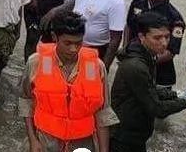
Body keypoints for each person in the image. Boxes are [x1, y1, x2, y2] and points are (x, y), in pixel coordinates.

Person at [110, 12, 186, 152]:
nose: (164, 43)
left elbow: (149, 89)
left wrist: (177, 94)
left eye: (167, 37)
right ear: (141, 37)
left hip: (135, 132)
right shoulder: (136, 66)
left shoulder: (146, 55)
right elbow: (157, 108)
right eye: (157, 38)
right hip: (124, 137)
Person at [20, 10, 118, 152]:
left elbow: (103, 113)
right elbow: (26, 101)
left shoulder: (97, 67)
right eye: (67, 43)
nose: (73, 49)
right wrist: (33, 140)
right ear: (54, 37)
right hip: (45, 142)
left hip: (83, 144)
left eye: (78, 43)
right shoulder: (36, 62)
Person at [123, 0, 185, 90]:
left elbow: (171, 52)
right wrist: (126, 51)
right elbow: (129, 27)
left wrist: (143, 63)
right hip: (132, 65)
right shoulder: (138, 3)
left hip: (160, 75)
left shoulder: (175, 19)